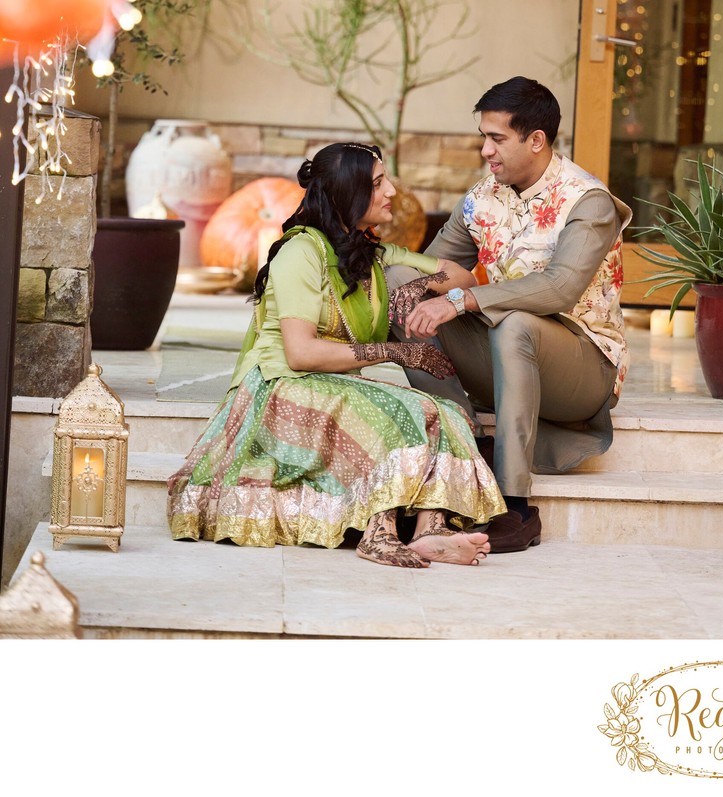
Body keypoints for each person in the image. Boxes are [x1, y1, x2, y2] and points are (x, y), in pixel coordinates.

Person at [167, 141, 505, 568]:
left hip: (332, 385)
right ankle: (378, 534)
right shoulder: (300, 253)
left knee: (445, 412)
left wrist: (421, 286)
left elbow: (462, 276)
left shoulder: (372, 252)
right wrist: (400, 353)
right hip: (279, 387)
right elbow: (301, 352)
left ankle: (430, 530)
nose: (392, 192)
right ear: (349, 193)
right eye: (379, 183)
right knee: (389, 412)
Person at [400, 77, 631, 554]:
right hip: (507, 357)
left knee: (517, 323)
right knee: (407, 302)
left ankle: (515, 506)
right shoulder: (486, 196)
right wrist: (384, 278)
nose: (485, 150)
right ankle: (462, 459)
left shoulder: (588, 201)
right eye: (483, 137)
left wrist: (464, 300)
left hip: (584, 369)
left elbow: (561, 287)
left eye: (497, 138)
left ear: (536, 140)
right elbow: (437, 267)